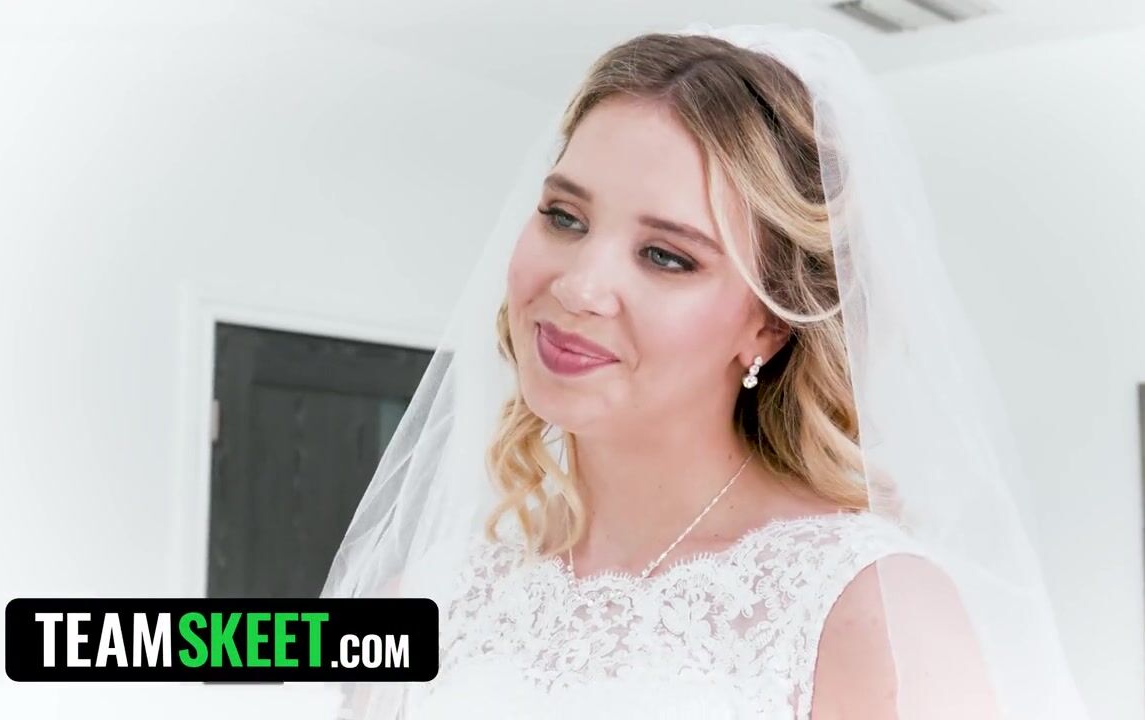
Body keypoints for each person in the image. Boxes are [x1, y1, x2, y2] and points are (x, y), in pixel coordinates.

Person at [322, 23, 1090, 719]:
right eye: (564, 217)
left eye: (666, 256)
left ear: (768, 324)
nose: (580, 287)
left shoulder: (869, 613)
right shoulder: (425, 601)